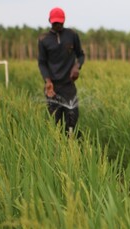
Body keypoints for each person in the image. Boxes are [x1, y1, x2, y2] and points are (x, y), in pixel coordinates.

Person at [38, 7, 85, 137]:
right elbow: (42, 62)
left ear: (64, 21)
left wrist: (77, 66)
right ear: (50, 21)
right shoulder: (43, 40)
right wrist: (47, 81)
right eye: (55, 23)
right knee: (55, 125)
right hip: (52, 88)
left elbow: (80, 55)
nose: (58, 25)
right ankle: (58, 152)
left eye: (60, 22)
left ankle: (75, 149)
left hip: (68, 86)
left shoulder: (72, 35)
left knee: (72, 121)